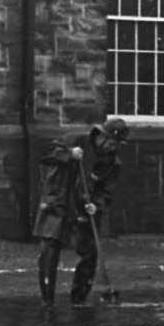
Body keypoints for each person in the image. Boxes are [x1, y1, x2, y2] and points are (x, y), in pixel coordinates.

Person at [35, 118, 127, 304]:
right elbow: (43, 153)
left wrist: (97, 204)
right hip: (57, 204)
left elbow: (106, 191)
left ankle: (78, 301)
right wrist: (68, 153)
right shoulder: (73, 140)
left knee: (90, 254)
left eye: (116, 144)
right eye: (110, 142)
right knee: (49, 252)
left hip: (83, 210)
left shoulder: (112, 162)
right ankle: (48, 302)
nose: (112, 147)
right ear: (100, 135)